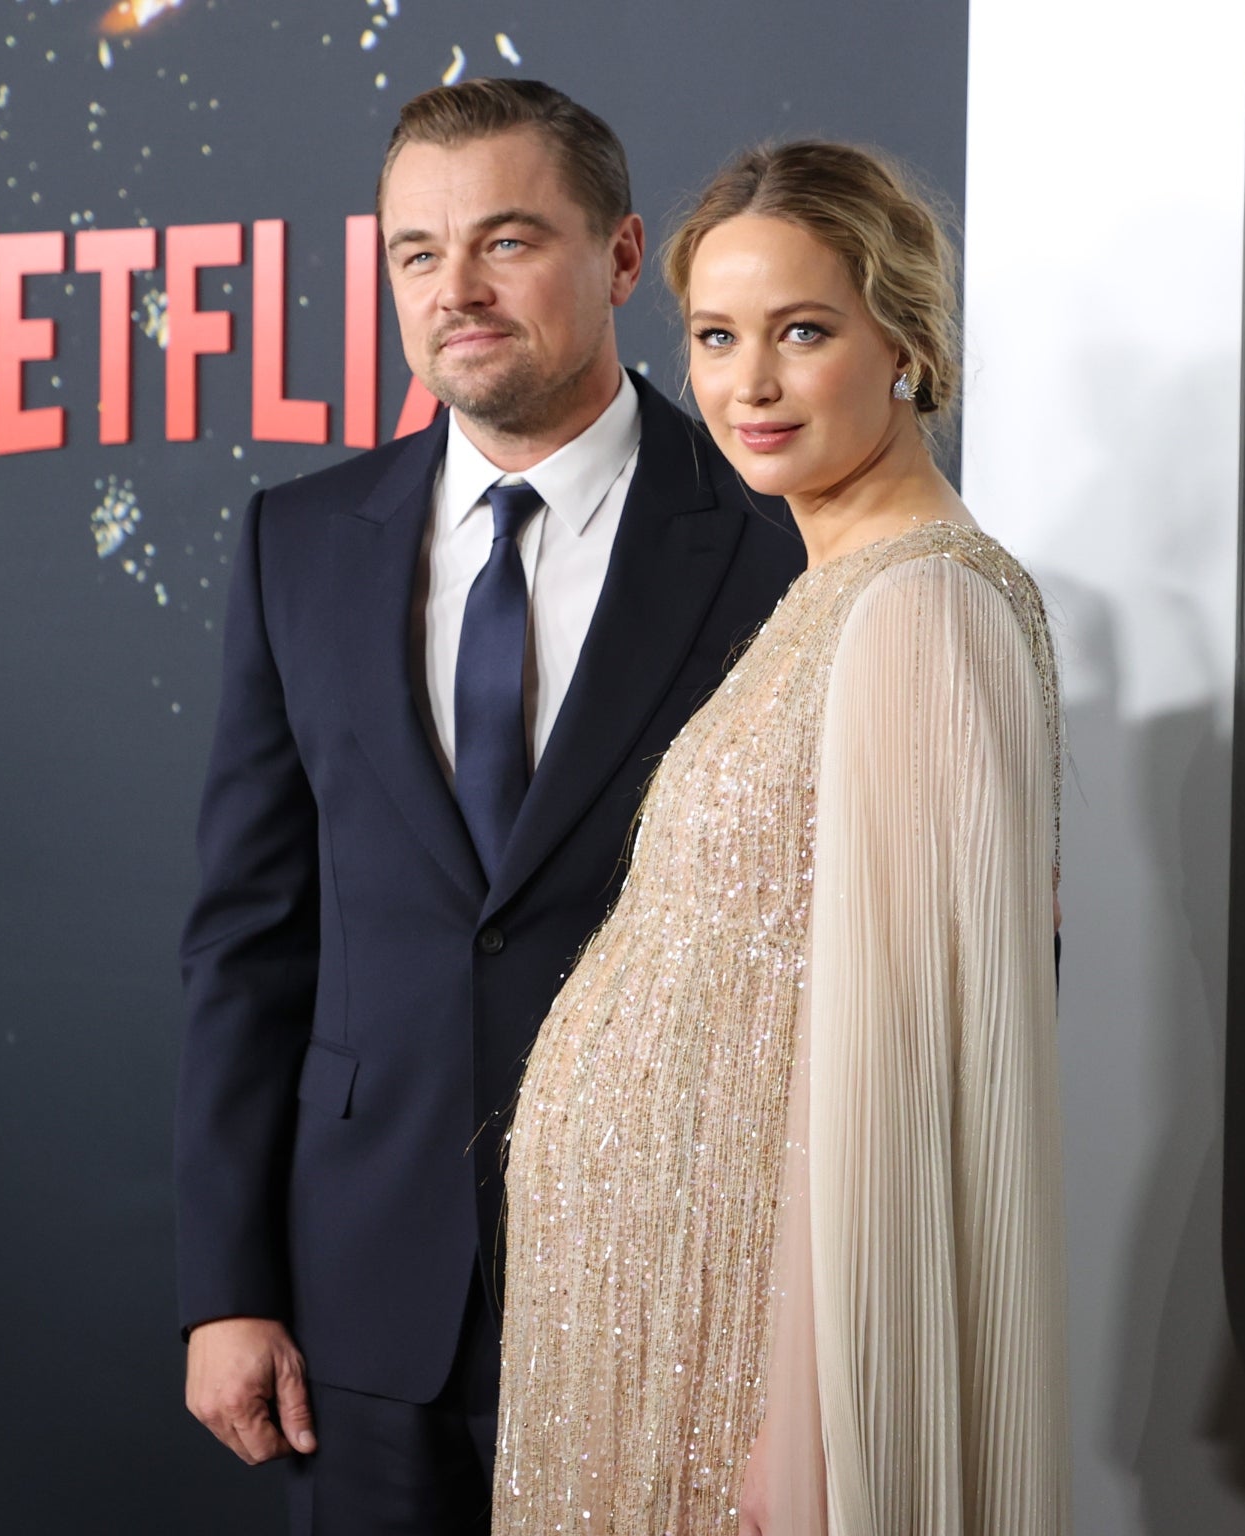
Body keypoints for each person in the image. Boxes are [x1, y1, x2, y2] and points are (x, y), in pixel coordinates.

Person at [173, 80, 803, 1534]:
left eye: (509, 241)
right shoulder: (299, 543)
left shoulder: (773, 546)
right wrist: (230, 1287)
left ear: (627, 260)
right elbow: (247, 941)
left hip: (672, 1303)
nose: (455, 289)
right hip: (360, 1309)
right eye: (414, 252)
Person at [494, 141, 1070, 1533]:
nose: (748, 385)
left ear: (908, 346)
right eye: (713, 337)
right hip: (658, 1347)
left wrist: (806, 1443)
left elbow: (897, 1074)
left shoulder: (919, 613)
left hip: (742, 1390)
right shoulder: (834, 596)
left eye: (802, 333)